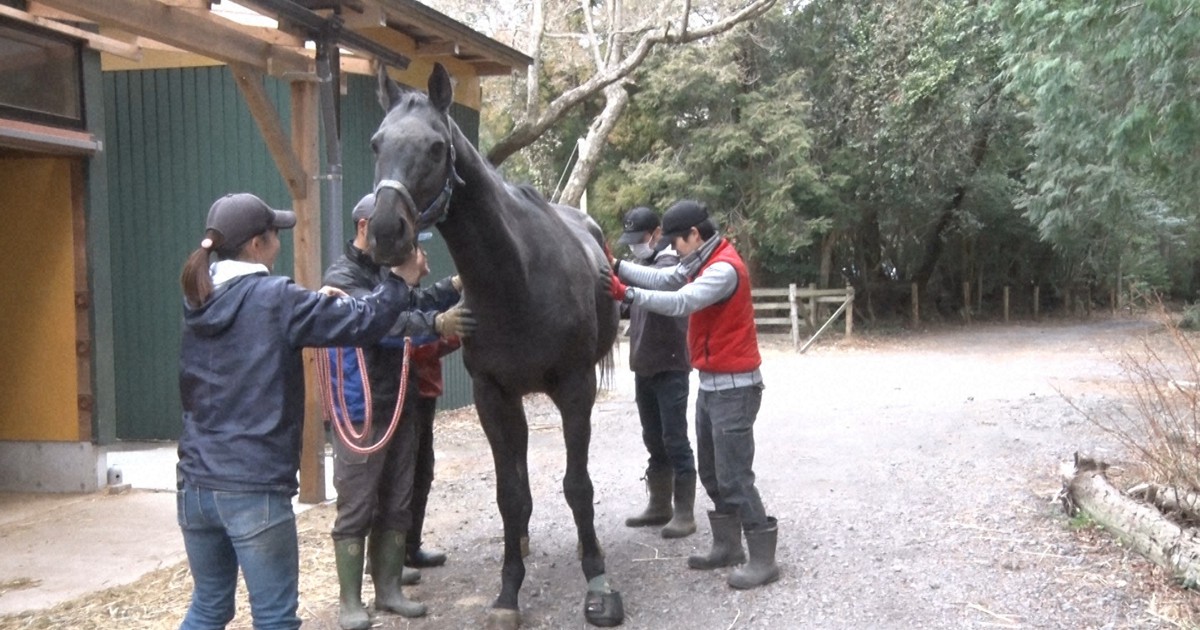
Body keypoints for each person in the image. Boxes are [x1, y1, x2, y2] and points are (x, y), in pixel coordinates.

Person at [177, 192, 416, 630]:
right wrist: (401, 281)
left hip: (195, 486)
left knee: (210, 607)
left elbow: (263, 321)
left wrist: (313, 304)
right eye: (274, 234)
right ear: (256, 244)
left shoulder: (198, 299)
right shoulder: (276, 297)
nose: (279, 242)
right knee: (274, 618)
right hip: (252, 485)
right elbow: (365, 322)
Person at [606, 200, 780, 590]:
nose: (673, 249)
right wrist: (617, 268)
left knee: (735, 476)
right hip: (713, 383)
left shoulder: (722, 268)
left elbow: (681, 300)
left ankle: (763, 559)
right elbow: (667, 280)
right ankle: (728, 546)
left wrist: (627, 294)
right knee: (712, 472)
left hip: (735, 388)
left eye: (676, 242)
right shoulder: (701, 257)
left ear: (694, 236)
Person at [323, 194, 473, 629]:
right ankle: (350, 601)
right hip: (361, 407)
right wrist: (436, 324)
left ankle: (388, 590)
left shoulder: (380, 272)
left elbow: (407, 302)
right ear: (366, 226)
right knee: (357, 503)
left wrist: (452, 287)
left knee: (397, 498)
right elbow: (377, 324)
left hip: (399, 399)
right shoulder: (344, 276)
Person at [615, 206, 696, 539]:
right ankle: (659, 504)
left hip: (670, 364)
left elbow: (657, 287)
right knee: (653, 438)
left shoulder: (670, 266)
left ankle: (685, 512)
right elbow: (624, 305)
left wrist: (622, 273)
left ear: (657, 234)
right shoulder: (644, 266)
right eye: (631, 240)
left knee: (674, 437)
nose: (636, 245)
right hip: (644, 366)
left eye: (640, 239)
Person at [397, 240, 463, 570]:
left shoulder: (415, 293)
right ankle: (391, 555)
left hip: (423, 394)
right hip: (408, 395)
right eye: (422, 252)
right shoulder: (396, 297)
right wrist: (454, 335)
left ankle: (411, 546)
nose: (427, 258)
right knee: (405, 473)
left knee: (422, 471)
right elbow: (413, 348)